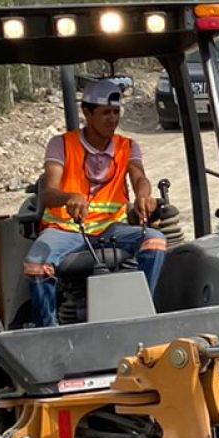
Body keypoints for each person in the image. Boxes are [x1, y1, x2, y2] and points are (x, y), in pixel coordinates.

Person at [24, 79, 165, 326]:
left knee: (155, 241)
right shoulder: (62, 145)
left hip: (111, 229)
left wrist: (143, 195)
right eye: (105, 113)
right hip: (65, 229)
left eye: (116, 112)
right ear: (87, 113)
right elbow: (49, 192)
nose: (113, 119)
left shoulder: (127, 146)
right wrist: (69, 198)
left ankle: (142, 316)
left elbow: (139, 177)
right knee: (36, 264)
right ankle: (48, 331)